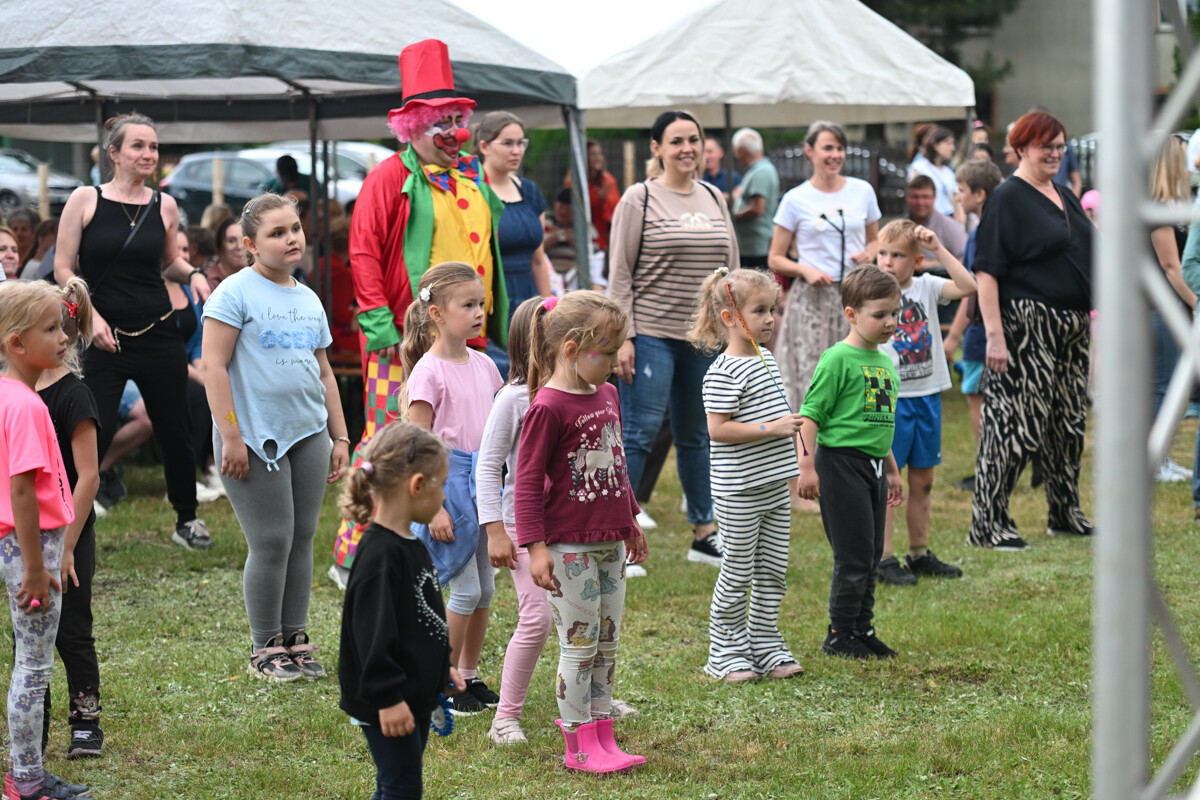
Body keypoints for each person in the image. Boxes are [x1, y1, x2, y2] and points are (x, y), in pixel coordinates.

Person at [330, 38, 510, 587]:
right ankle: (352, 549)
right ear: (414, 128)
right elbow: (362, 250)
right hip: (401, 338)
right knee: (390, 439)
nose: (455, 134)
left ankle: (436, 538)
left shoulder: (467, 177)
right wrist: (382, 325)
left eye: (459, 120)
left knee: (458, 440)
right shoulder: (390, 176)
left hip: (463, 335)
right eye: (444, 123)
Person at [201, 194, 351, 680]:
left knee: (303, 538)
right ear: (249, 244)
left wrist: (340, 437)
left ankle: (295, 637)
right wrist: (230, 437)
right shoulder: (233, 293)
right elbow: (213, 367)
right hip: (253, 435)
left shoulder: (307, 297)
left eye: (294, 229)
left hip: (308, 431)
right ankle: (265, 644)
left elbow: (325, 374)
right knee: (271, 540)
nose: (291, 239)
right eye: (276, 233)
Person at [54, 112, 214, 551]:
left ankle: (187, 519)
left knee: (174, 427)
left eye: (154, 147)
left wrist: (195, 274)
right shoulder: (84, 199)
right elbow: (63, 269)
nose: (149, 154)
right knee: (91, 428)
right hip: (102, 335)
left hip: (158, 332)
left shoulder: (164, 204)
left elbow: (167, 262)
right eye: (139, 146)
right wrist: (89, 318)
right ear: (114, 153)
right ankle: (67, 520)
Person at [514, 290, 648, 773]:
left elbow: (617, 462)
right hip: (568, 548)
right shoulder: (547, 407)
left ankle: (604, 735)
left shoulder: (608, 394)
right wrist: (535, 547)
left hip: (610, 542)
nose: (615, 362)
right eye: (608, 352)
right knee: (580, 643)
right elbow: (526, 482)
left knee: (608, 641)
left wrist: (629, 519)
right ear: (571, 349)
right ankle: (579, 748)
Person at [607, 110, 737, 567]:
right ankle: (620, 540)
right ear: (657, 148)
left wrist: (734, 327)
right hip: (651, 335)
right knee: (639, 434)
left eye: (694, 140)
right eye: (677, 140)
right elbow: (619, 275)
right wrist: (624, 337)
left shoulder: (714, 196)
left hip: (704, 338)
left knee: (699, 436)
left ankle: (705, 534)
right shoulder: (638, 199)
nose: (687, 148)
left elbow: (731, 270)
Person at [968, 111, 1094, 550]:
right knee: (1015, 423)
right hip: (1027, 325)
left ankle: (1064, 511)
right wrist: (996, 336)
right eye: (1047, 147)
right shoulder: (1007, 198)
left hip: (1072, 326)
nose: (1056, 153)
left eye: (1060, 146)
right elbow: (987, 271)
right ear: (1022, 148)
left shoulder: (1063, 193)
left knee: (1068, 423)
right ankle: (988, 523)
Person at [337, 421, 466, 800]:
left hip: (412, 692)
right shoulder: (381, 556)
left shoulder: (409, 542)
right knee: (402, 788)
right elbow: (372, 637)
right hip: (386, 699)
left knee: (398, 784)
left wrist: (441, 667)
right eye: (441, 485)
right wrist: (389, 699)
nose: (443, 496)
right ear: (417, 486)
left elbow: (422, 617)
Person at [0, 279, 92, 800]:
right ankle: (26, 782)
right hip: (30, 547)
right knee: (33, 668)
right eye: (51, 328)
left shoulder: (9, 394)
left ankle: (25, 775)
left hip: (21, 544)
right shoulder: (29, 406)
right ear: (16, 343)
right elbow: (22, 492)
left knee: (28, 665)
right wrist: (37, 565)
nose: (64, 337)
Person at [689, 267, 804, 681]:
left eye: (773, 309)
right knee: (737, 569)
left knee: (773, 569)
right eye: (760, 311)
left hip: (774, 487)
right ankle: (725, 650)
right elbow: (718, 430)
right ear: (730, 318)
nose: (771, 318)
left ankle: (765, 642)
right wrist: (769, 429)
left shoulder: (766, 358)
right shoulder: (722, 372)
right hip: (739, 490)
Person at [402, 261, 504, 715]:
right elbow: (415, 446)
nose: (479, 311)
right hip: (449, 490)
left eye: (481, 303)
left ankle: (468, 672)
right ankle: (440, 679)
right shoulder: (428, 372)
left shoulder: (484, 364)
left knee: (485, 590)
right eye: (468, 304)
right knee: (463, 591)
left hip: (483, 487)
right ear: (437, 313)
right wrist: (435, 506)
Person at [795, 266, 904, 659]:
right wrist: (806, 468)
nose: (890, 322)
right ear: (851, 314)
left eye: (894, 313)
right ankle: (840, 633)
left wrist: (891, 469)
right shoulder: (837, 358)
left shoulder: (885, 363)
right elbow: (809, 416)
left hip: (873, 467)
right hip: (840, 465)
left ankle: (863, 628)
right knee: (853, 555)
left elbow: (880, 422)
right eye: (880, 314)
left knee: (872, 553)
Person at [873, 220, 976, 586]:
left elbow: (969, 285)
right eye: (882, 254)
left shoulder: (928, 286)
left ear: (917, 261)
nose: (887, 262)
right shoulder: (872, 292)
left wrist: (938, 248)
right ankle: (883, 558)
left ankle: (919, 553)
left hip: (927, 395)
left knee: (923, 480)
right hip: (889, 399)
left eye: (897, 255)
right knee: (888, 480)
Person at [34, 278, 106, 761]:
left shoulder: (73, 396)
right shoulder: (15, 394)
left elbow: (89, 478)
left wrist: (64, 547)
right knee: (30, 634)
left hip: (68, 534)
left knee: (72, 628)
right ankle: (31, 726)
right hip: (25, 531)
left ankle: (86, 721)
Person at [769, 120, 881, 418]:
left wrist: (869, 254)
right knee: (813, 373)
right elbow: (775, 258)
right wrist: (804, 270)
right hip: (813, 299)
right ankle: (808, 450)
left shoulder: (863, 191)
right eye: (828, 148)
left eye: (840, 148)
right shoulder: (795, 199)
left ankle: (857, 438)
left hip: (858, 295)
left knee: (859, 369)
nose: (835, 155)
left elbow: (876, 241)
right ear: (810, 151)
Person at [943, 158, 1004, 494]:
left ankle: (987, 468)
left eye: (961, 190)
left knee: (977, 396)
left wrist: (953, 338)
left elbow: (975, 291)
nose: (957, 195)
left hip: (982, 332)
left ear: (979, 194)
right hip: (986, 330)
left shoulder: (983, 233)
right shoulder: (994, 227)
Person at [475, 110, 550, 377]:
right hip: (492, 301)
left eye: (521, 143)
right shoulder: (472, 191)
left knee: (533, 376)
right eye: (507, 143)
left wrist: (548, 307)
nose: (516, 150)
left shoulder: (528, 190)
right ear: (484, 146)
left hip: (529, 299)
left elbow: (538, 260)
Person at [1148, 135, 1197, 483]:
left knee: (1170, 385)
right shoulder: (1159, 209)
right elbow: (1171, 267)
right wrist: (1196, 303)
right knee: (1164, 385)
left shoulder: (1177, 206)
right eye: (1185, 158)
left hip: (1173, 305)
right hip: (1162, 306)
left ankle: (1161, 457)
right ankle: (1155, 461)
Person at [731, 127, 780, 269]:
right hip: (752, 245)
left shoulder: (761, 171)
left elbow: (757, 209)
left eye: (736, 150)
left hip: (755, 247)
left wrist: (733, 217)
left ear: (741, 150)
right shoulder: (759, 169)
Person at [903, 175, 967, 265]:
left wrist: (930, 264)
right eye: (915, 197)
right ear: (907, 197)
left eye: (925, 197)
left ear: (934, 197)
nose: (920, 203)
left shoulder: (950, 226)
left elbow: (966, 260)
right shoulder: (900, 226)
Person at [908, 127, 963, 224]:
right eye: (948, 143)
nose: (952, 148)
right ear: (935, 145)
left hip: (948, 219)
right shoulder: (919, 168)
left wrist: (960, 223)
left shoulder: (949, 172)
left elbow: (954, 201)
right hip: (928, 220)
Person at [584, 140, 620, 253]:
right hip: (589, 241)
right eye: (593, 154)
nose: (598, 158)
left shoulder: (608, 181)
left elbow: (617, 208)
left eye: (599, 154)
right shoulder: (578, 183)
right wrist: (598, 199)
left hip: (609, 239)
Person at [204, 216, 246, 290]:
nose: (239, 247)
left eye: (244, 240)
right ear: (221, 246)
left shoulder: (260, 278)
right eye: (231, 241)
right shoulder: (207, 282)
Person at [703, 138, 741, 203]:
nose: (706, 156)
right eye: (703, 152)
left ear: (721, 152)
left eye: (710, 151)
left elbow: (740, 196)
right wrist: (728, 196)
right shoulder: (696, 178)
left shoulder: (733, 177)